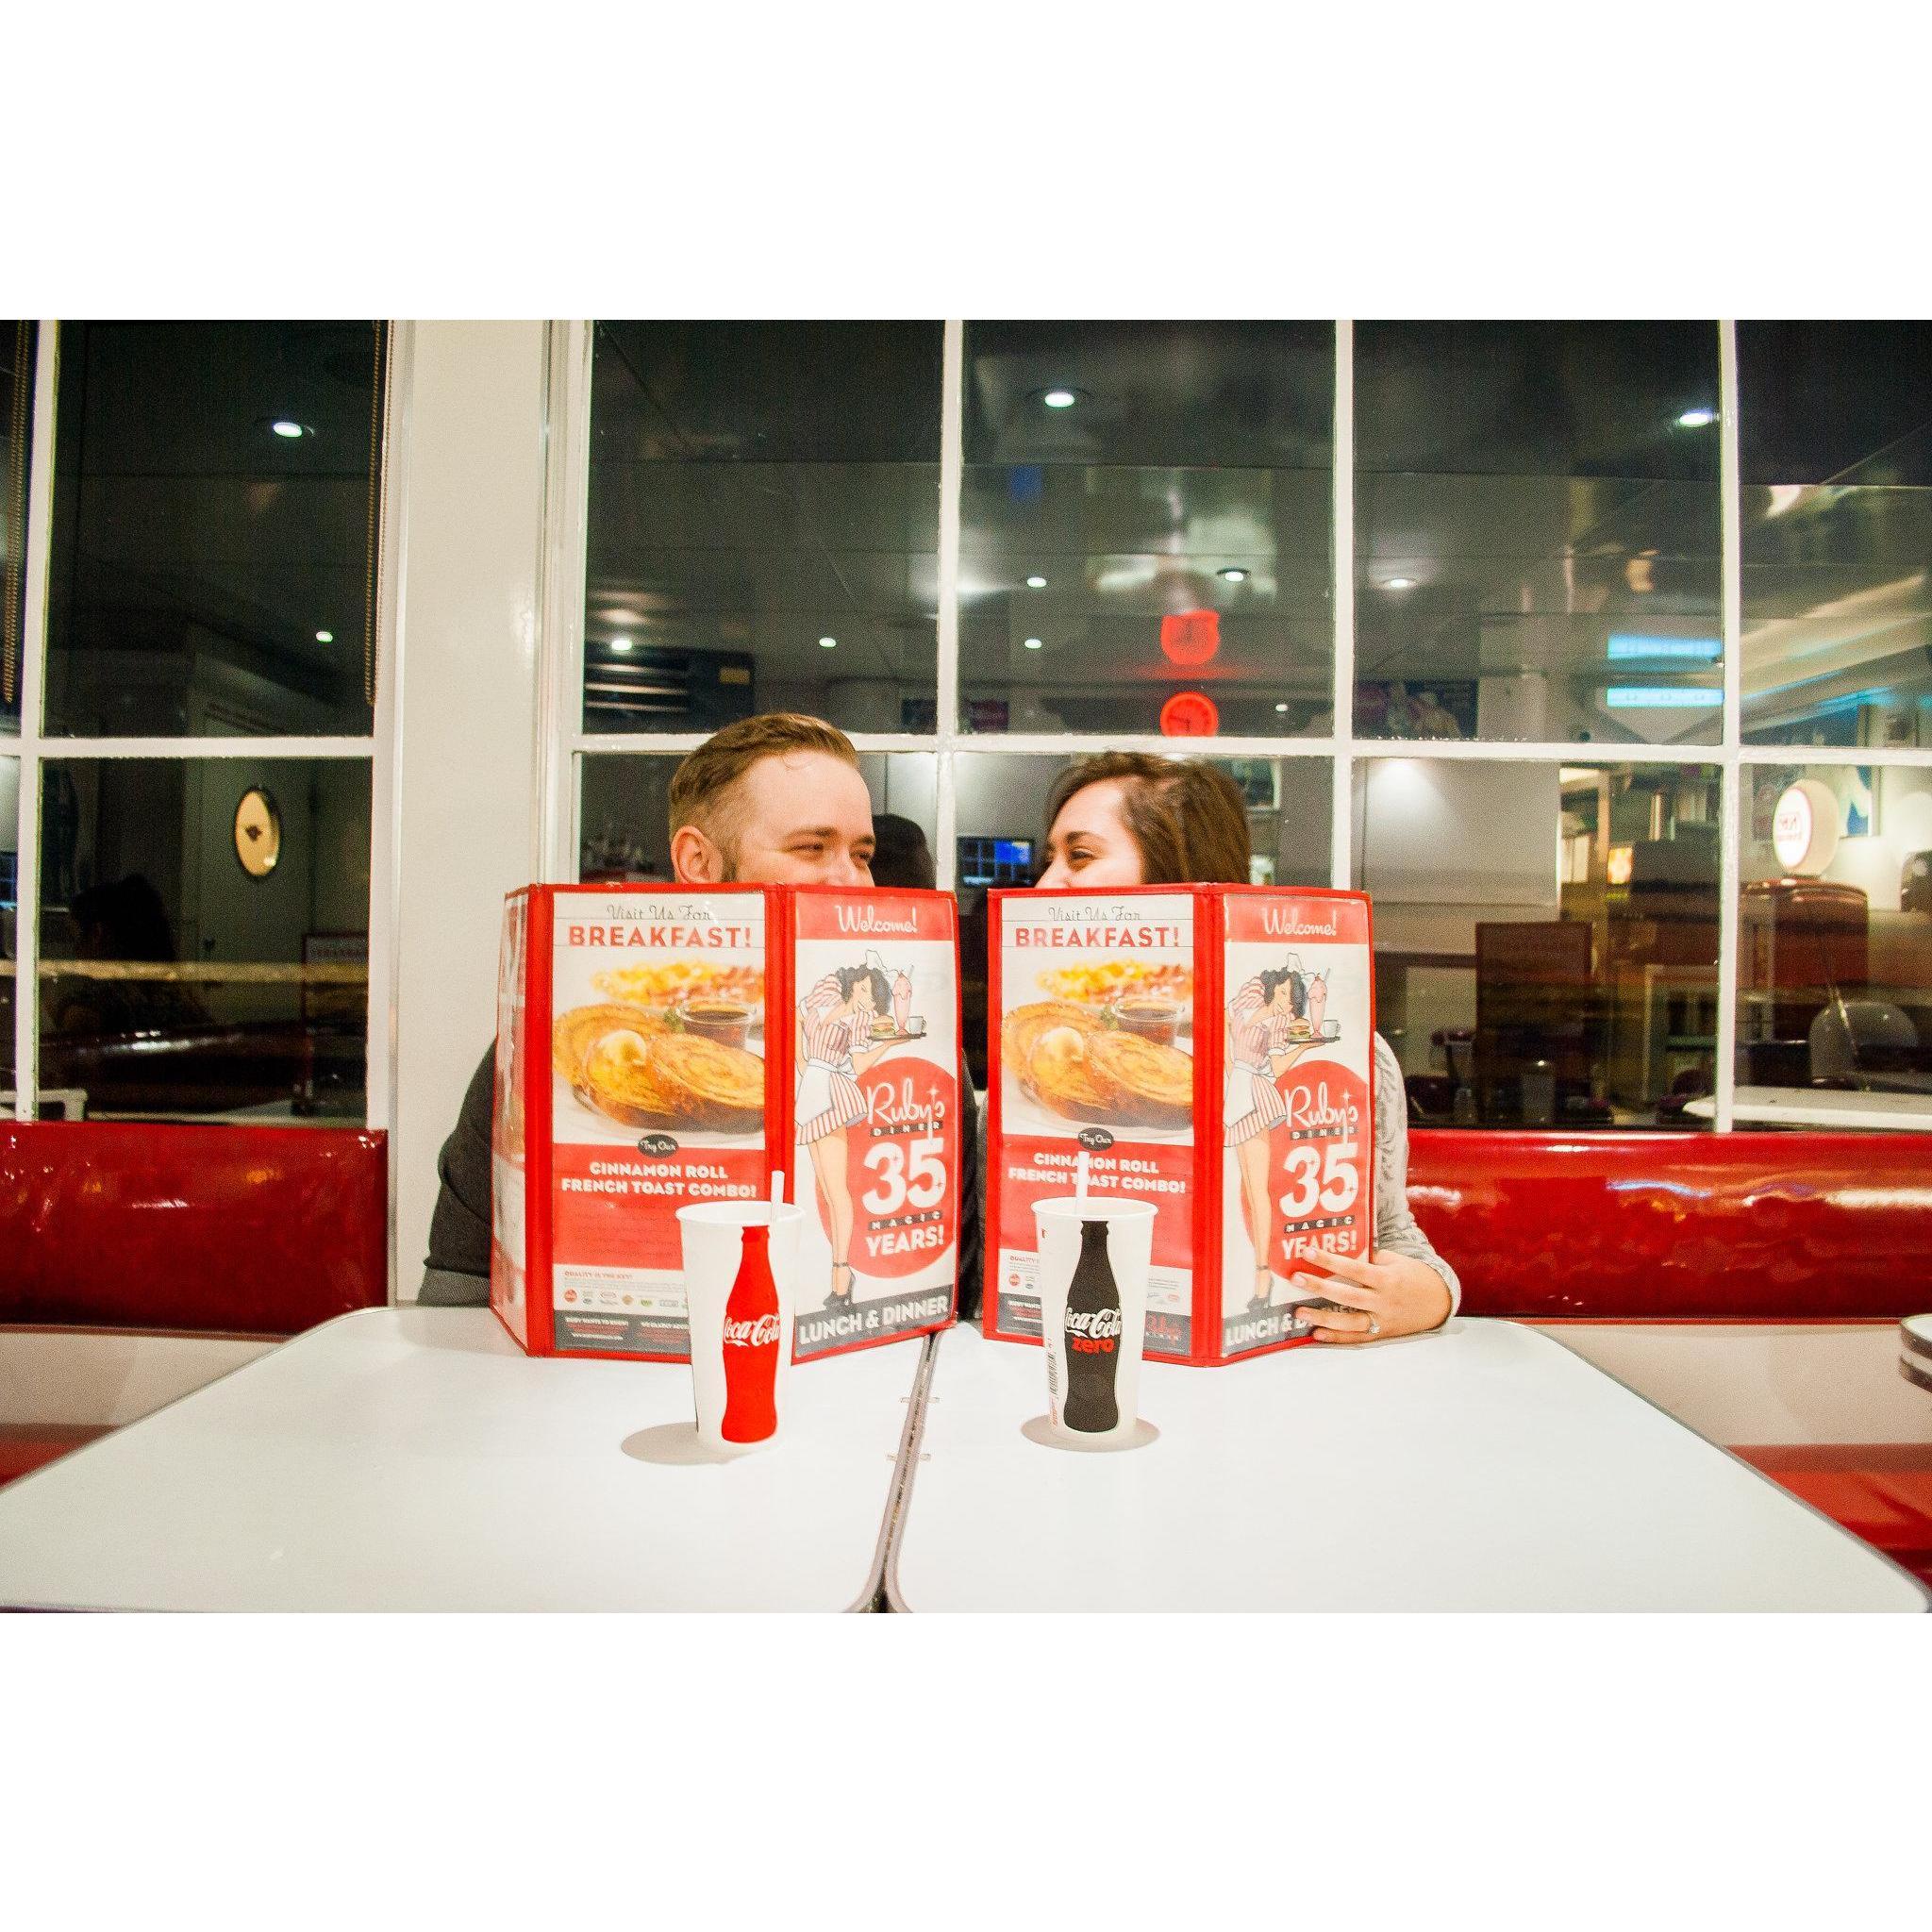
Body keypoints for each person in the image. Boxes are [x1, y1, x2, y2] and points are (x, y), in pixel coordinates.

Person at [423, 713, 982, 1315]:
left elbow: (953, 1294)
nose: (852, 881)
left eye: (862, 854)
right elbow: (456, 1297)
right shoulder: (551, 1046)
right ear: (698, 862)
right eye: (811, 848)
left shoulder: (919, 1053)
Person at [1036, 751, 1457, 1344]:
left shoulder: (1359, 1059)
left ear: (1175, 871)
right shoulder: (1051, 1053)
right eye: (1048, 860)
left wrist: (1431, 1298)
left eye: (1079, 856)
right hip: (1067, 1352)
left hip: (1266, 1368)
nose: (1044, 884)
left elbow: (1394, 1238)